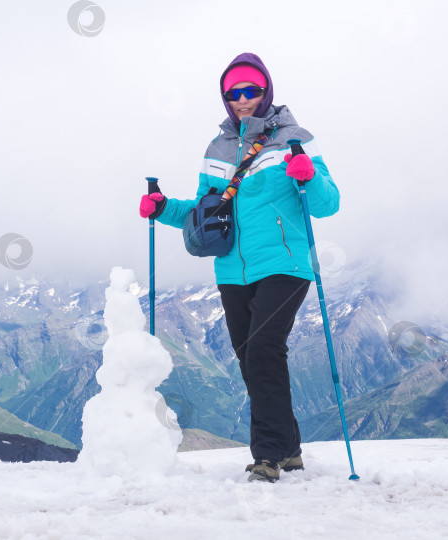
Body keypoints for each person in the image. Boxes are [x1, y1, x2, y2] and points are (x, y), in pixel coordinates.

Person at [138, 52, 340, 482]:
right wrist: (162, 209)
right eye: (234, 93)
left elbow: (328, 203)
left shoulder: (294, 138)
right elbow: (206, 211)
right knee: (252, 359)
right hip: (232, 269)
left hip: (286, 264)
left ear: (266, 90)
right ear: (225, 98)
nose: (243, 100)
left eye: (252, 91)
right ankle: (291, 450)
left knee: (265, 349)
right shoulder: (217, 148)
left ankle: (266, 456)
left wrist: (308, 176)